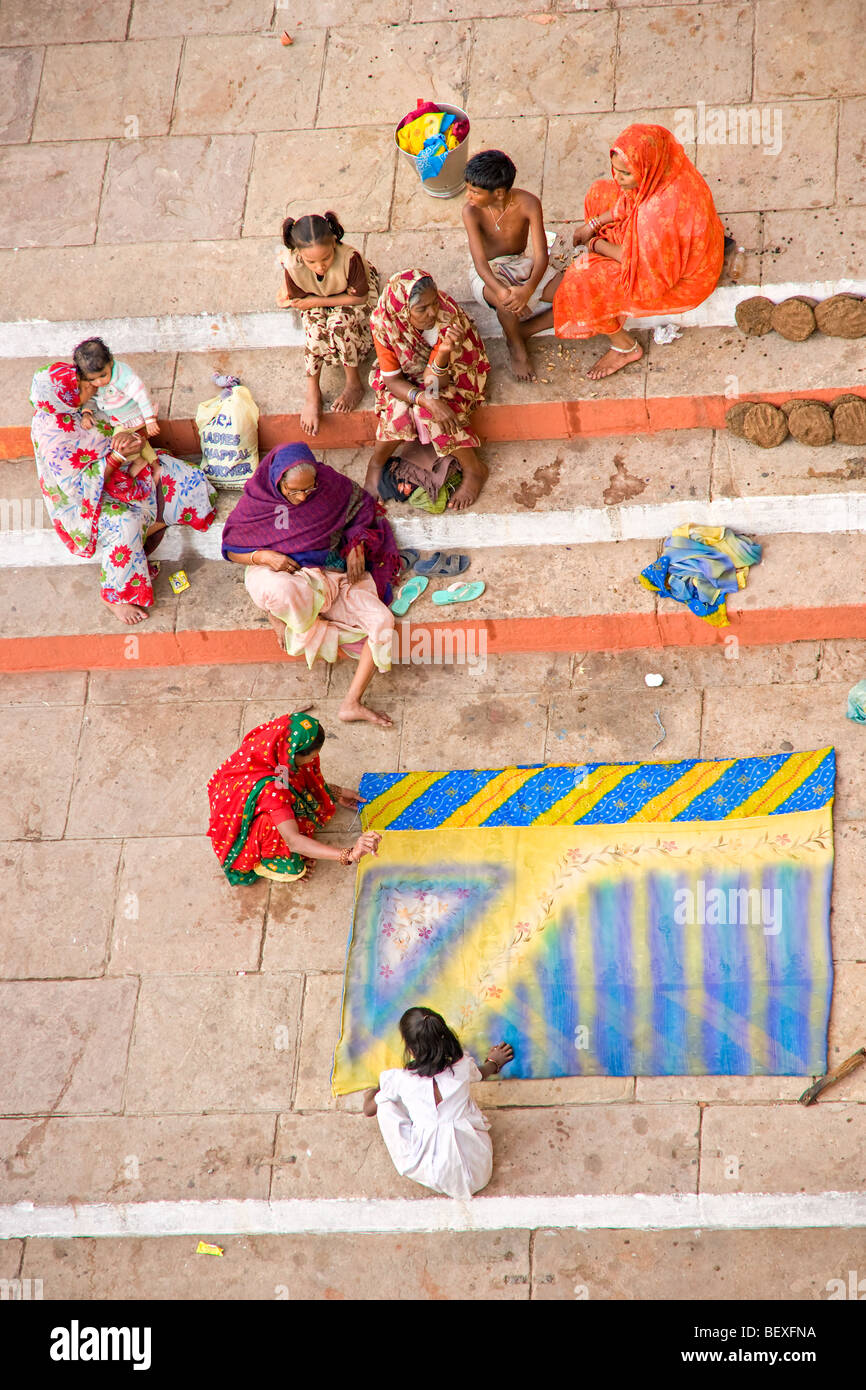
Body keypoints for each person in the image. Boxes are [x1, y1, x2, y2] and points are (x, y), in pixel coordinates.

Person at [526, 124, 724, 381]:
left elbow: (638, 262)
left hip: (682, 279)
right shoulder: (668, 167)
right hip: (675, 245)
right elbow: (631, 201)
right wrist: (594, 225)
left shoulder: (657, 213)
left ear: (646, 168)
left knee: (582, 278)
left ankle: (624, 348)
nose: (618, 179)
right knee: (600, 193)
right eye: (616, 170)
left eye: (625, 173)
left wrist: (595, 245)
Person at [222, 442, 400, 728]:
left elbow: (360, 506)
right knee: (280, 592)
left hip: (331, 573)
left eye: (309, 489)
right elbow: (231, 548)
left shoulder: (328, 484)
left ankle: (351, 703)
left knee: (382, 620)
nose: (303, 498)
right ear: (277, 481)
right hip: (284, 574)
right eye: (294, 491)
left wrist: (356, 543)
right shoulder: (259, 500)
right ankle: (281, 614)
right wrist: (261, 555)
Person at [31, 362, 216, 626]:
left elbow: (122, 422)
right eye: (83, 388)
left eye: (86, 383)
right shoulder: (52, 437)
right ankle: (114, 595)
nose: (91, 388)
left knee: (187, 479)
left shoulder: (87, 404)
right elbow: (78, 488)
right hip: (90, 502)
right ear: (65, 398)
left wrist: (135, 442)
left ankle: (141, 540)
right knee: (124, 523)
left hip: (125, 469)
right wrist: (117, 458)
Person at [363, 269, 490, 512]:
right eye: (422, 309)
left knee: (432, 410)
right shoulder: (384, 320)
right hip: (408, 375)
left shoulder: (448, 319)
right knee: (399, 407)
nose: (432, 312)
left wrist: (442, 352)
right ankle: (376, 464)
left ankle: (475, 470)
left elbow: (437, 383)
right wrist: (424, 400)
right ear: (401, 310)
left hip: (454, 373)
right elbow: (393, 381)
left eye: (434, 303)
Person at [207, 710, 382, 885]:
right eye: (312, 755)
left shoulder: (276, 743)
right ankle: (269, 864)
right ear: (294, 754)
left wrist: (334, 792)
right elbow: (294, 842)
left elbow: (292, 777)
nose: (314, 759)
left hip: (247, 798)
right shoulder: (273, 791)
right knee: (279, 833)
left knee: (299, 773)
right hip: (246, 834)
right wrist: (349, 854)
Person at [362, 1006, 514, 1199]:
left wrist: (376, 1090)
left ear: (410, 1050)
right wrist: (495, 1062)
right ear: (445, 1038)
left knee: (384, 1104)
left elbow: (368, 1110)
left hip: (435, 1173)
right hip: (478, 1167)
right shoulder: (462, 1067)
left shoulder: (399, 1080)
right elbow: (484, 1071)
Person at [276, 211, 379, 436]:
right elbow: (301, 300)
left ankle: (353, 383)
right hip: (321, 298)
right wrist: (315, 303)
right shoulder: (293, 265)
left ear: (334, 243)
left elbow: (359, 298)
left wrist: (318, 301)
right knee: (314, 331)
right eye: (311, 261)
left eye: (326, 258)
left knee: (339, 325)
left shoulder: (349, 259)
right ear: (299, 254)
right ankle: (313, 391)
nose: (320, 267)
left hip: (351, 302)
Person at [462, 148, 557, 382]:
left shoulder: (529, 204)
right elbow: (480, 264)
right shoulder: (470, 212)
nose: (468, 196)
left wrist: (528, 290)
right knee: (505, 302)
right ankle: (515, 344)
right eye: (468, 189)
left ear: (499, 193)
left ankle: (524, 330)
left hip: (519, 264)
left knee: (573, 296)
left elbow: (541, 256)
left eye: (474, 192)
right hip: (488, 273)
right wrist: (505, 292)